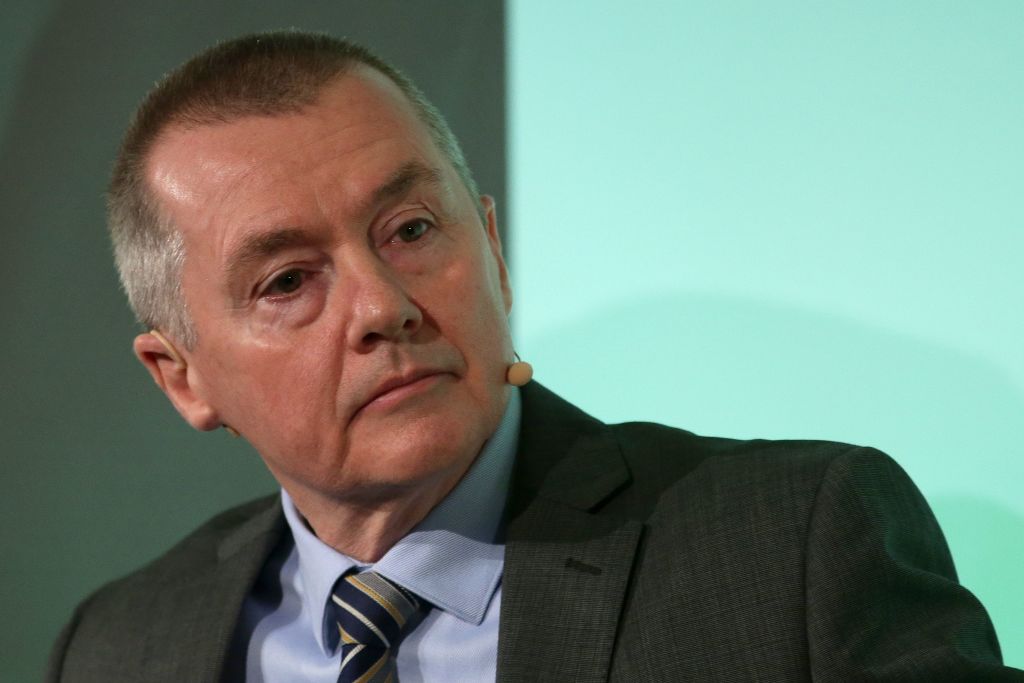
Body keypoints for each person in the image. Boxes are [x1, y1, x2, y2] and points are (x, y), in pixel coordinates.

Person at [48, 31, 1020, 682]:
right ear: (183, 376)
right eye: (289, 280)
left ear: (493, 249)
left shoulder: (789, 546)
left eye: (411, 228)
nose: (383, 306)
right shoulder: (119, 645)